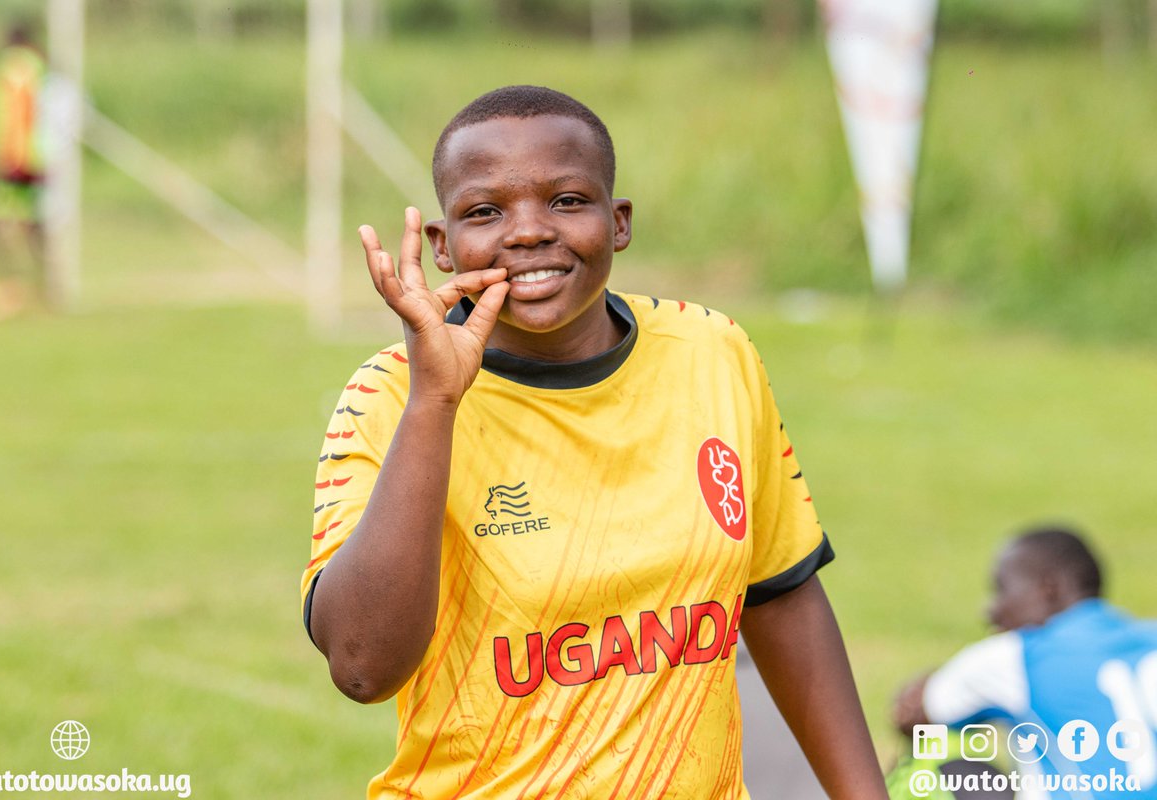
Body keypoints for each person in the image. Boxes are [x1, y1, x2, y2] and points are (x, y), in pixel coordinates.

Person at [300, 85, 887, 799]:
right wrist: (436, 401)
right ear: (442, 245)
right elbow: (363, 668)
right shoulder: (391, 395)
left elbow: (780, 594)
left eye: (567, 200)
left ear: (619, 222)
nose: (526, 233)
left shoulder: (713, 352)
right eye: (485, 211)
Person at [895, 526, 1157, 799]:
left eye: (1001, 590)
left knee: (939, 767)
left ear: (1048, 589)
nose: (990, 610)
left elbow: (913, 710)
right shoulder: (1150, 639)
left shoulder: (1018, 655)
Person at [0, 21, 47, 320]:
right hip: (33, 159)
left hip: (18, 161)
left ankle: (12, 287)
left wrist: (13, 156)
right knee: (31, 223)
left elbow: (20, 109)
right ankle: (43, 285)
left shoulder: (15, 67)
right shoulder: (41, 65)